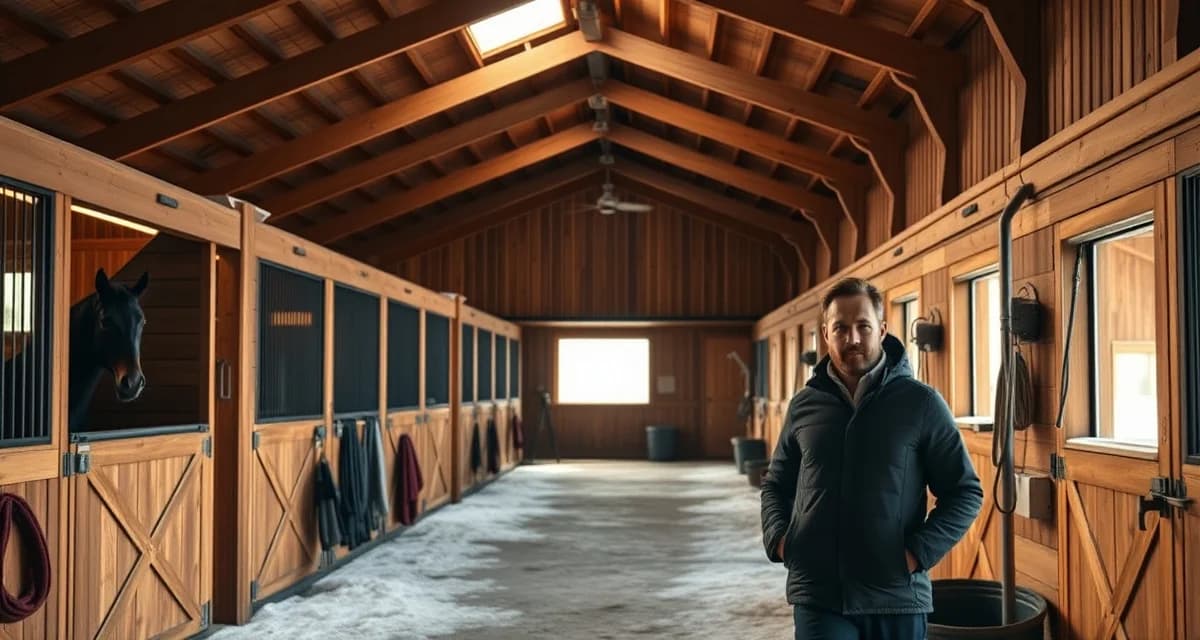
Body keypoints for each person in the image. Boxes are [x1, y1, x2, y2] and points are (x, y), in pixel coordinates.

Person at [760, 277, 983, 639]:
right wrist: (781, 540)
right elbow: (776, 484)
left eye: (863, 326)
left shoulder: (921, 403)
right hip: (819, 594)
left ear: (881, 329)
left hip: (896, 596)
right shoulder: (804, 406)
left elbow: (965, 491)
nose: (852, 338)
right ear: (825, 333)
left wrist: (916, 554)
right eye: (840, 328)